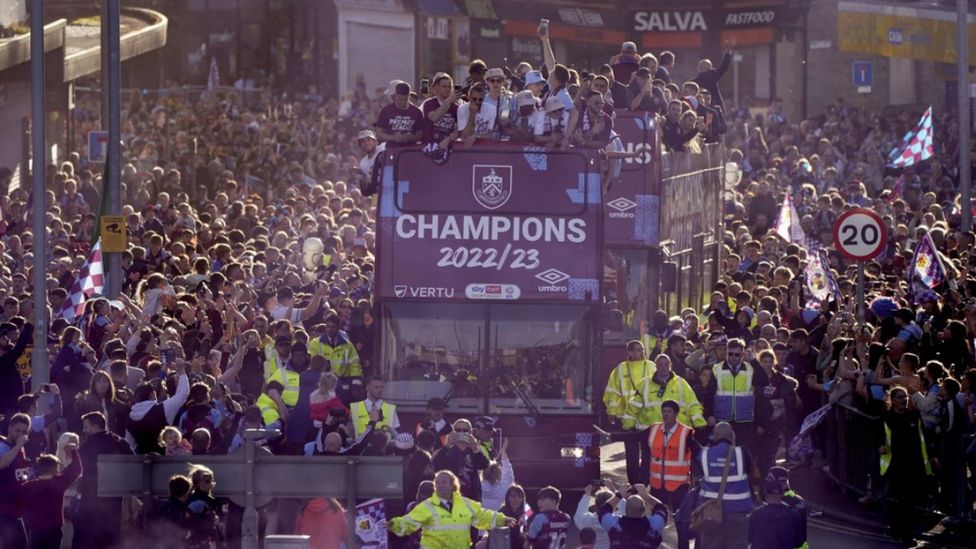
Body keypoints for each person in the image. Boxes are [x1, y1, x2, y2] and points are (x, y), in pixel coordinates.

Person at [388, 470, 515, 548]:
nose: (439, 485)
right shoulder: (427, 506)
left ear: (452, 485)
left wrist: (503, 520)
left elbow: (483, 516)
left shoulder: (466, 505)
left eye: (443, 482)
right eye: (437, 482)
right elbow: (410, 521)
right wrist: (393, 524)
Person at [74, 411, 133, 549]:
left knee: (85, 539)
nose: (84, 430)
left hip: (91, 501)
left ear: (94, 426)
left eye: (86, 426)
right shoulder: (120, 442)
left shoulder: (88, 447)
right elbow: (134, 465)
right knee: (110, 540)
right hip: (114, 501)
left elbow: (78, 470)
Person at [695, 422, 760, 549]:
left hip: (710, 513)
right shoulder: (743, 452)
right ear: (732, 436)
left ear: (715, 436)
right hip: (738, 512)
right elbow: (755, 477)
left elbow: (696, 479)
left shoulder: (704, 454)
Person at [879, 386, 931, 543]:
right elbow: (878, 434)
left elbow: (924, 438)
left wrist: (931, 457)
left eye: (906, 396)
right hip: (895, 464)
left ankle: (901, 531)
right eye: (900, 397)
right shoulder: (886, 417)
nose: (904, 399)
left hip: (913, 463)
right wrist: (880, 445)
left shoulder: (914, 416)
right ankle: (901, 532)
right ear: (893, 401)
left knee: (909, 500)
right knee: (900, 499)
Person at [603, 340, 655, 484]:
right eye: (638, 350)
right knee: (631, 452)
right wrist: (612, 412)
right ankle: (634, 482)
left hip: (648, 417)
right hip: (627, 417)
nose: (641, 352)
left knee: (647, 451)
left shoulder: (651, 366)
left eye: (642, 349)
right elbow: (613, 392)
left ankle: (645, 481)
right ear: (630, 352)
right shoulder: (621, 369)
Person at [709, 338, 768, 452]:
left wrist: (753, 361)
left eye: (737, 354)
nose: (733, 357)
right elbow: (709, 394)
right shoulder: (717, 369)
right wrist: (709, 414)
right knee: (723, 453)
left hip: (745, 422)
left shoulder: (751, 368)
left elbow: (764, 381)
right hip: (722, 420)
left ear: (742, 354)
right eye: (730, 354)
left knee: (743, 454)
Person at [126, 359, 190, 454]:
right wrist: (182, 370)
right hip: (163, 459)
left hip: (142, 461)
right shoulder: (162, 409)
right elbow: (183, 394)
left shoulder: (129, 418)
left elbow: (129, 443)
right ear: (152, 395)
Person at [647, 400, 699, 512]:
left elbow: (698, 452)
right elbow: (634, 437)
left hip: (679, 485)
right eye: (664, 411)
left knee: (680, 517)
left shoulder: (685, 432)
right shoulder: (654, 429)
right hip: (657, 484)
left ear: (676, 414)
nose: (666, 414)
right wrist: (611, 436)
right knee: (657, 516)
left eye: (669, 412)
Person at [309, 313, 362, 404]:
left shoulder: (347, 345)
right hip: (322, 384)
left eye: (333, 327)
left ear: (338, 327)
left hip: (343, 386)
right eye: (328, 327)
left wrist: (356, 385)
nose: (330, 330)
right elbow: (313, 363)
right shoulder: (315, 343)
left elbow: (355, 365)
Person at [643, 355, 707, 429]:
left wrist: (699, 423)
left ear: (670, 366)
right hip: (654, 429)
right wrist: (628, 424)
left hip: (678, 428)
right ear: (656, 366)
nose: (663, 367)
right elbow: (635, 405)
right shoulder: (645, 384)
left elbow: (692, 403)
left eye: (666, 364)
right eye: (660, 364)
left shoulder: (681, 383)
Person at [596, 485, 668, 549]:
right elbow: (662, 508)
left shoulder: (614, 524)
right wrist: (646, 496)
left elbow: (603, 510)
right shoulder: (654, 525)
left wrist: (618, 495)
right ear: (644, 510)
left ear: (625, 510)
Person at [746, 476, 805, 549]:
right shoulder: (793, 515)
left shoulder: (755, 515)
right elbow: (798, 543)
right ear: (782, 494)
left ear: (765, 494)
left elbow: (748, 540)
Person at [0, 413, 30, 548]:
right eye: (17, 430)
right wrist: (18, 446)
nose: (20, 434)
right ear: (10, 428)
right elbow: (2, 463)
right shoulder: (3, 446)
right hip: (3, 510)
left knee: (21, 544)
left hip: (17, 510)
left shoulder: (21, 449)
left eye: (24, 432)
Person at [145, 475, 191, 549]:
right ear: (186, 493)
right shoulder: (177, 508)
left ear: (170, 491)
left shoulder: (160, 504)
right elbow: (173, 532)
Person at [375, 81, 424, 147]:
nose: (403, 102)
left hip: (410, 149)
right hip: (392, 148)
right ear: (396, 96)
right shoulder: (386, 111)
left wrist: (410, 137)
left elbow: (420, 134)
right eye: (400, 99)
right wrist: (394, 137)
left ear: (408, 96)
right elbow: (379, 133)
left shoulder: (416, 112)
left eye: (405, 99)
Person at [186, 465, 223, 549]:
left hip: (204, 540)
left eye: (211, 480)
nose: (211, 483)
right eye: (207, 481)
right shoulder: (195, 499)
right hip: (198, 541)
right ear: (199, 484)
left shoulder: (209, 500)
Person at [480, 438, 513, 513]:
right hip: (500, 521)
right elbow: (508, 473)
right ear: (499, 473)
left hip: (481, 522)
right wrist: (503, 452)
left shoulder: (476, 487)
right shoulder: (504, 487)